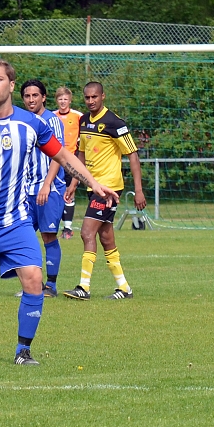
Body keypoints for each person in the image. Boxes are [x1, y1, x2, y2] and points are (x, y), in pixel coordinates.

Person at [0, 58, 117, 366]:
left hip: (16, 222)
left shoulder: (32, 124)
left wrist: (93, 183)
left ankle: (22, 351)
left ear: (11, 85)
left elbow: (64, 155)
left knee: (33, 278)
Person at [63, 82, 146, 301]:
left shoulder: (114, 123)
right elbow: (80, 155)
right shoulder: (83, 121)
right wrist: (73, 183)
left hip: (109, 189)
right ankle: (124, 288)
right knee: (106, 238)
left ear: (103, 97)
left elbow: (133, 154)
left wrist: (138, 190)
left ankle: (83, 287)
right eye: (87, 98)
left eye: (95, 97)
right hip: (93, 186)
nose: (91, 101)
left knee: (86, 232)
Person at [20, 80, 66, 297]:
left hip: (49, 189)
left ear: (44, 97)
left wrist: (47, 184)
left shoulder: (52, 121)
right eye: (27, 96)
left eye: (35, 95)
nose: (31, 100)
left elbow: (58, 154)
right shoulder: (22, 121)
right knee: (23, 236)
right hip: (24, 190)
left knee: (48, 236)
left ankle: (51, 285)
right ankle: (31, 286)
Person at [54, 86, 84, 240]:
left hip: (71, 160)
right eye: (60, 99)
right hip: (55, 160)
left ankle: (67, 228)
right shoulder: (52, 116)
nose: (63, 102)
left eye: (65, 99)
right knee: (55, 193)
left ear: (70, 100)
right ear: (56, 100)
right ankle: (53, 225)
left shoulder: (78, 116)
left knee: (69, 193)